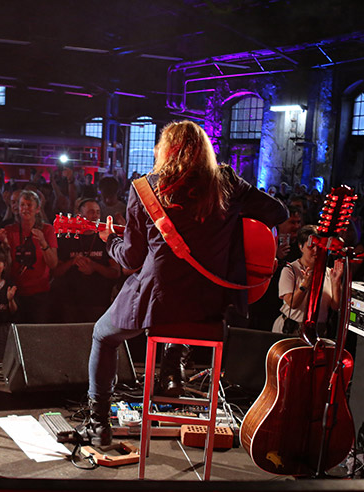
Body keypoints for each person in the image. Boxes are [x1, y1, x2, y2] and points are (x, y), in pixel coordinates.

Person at [83, 121, 287, 446]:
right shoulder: (227, 183)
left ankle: (98, 424)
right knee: (182, 313)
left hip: (156, 304)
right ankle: (172, 364)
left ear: (164, 150)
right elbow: (277, 212)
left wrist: (109, 241)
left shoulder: (144, 189)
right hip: (209, 306)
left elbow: (132, 259)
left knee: (102, 335)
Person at [51, 197, 120, 323]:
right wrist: (72, 262)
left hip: (98, 300)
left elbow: (115, 272)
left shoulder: (105, 238)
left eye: (98, 212)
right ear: (79, 215)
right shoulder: (67, 238)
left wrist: (94, 266)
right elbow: (56, 272)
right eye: (91, 212)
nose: (95, 215)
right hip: (70, 300)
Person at [0, 189, 58, 323]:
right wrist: (5, 245)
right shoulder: (9, 230)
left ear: (37, 209)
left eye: (29, 205)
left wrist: (43, 242)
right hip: (15, 292)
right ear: (17, 208)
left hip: (40, 294)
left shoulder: (47, 230)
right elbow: (6, 266)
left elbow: (53, 264)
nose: (25, 208)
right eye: (22, 205)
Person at [272, 225, 345, 335]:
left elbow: (335, 306)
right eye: (311, 246)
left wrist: (336, 282)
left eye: (320, 247)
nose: (316, 251)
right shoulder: (290, 270)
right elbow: (293, 304)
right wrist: (305, 285)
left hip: (317, 330)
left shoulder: (329, 272)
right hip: (291, 329)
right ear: (301, 247)